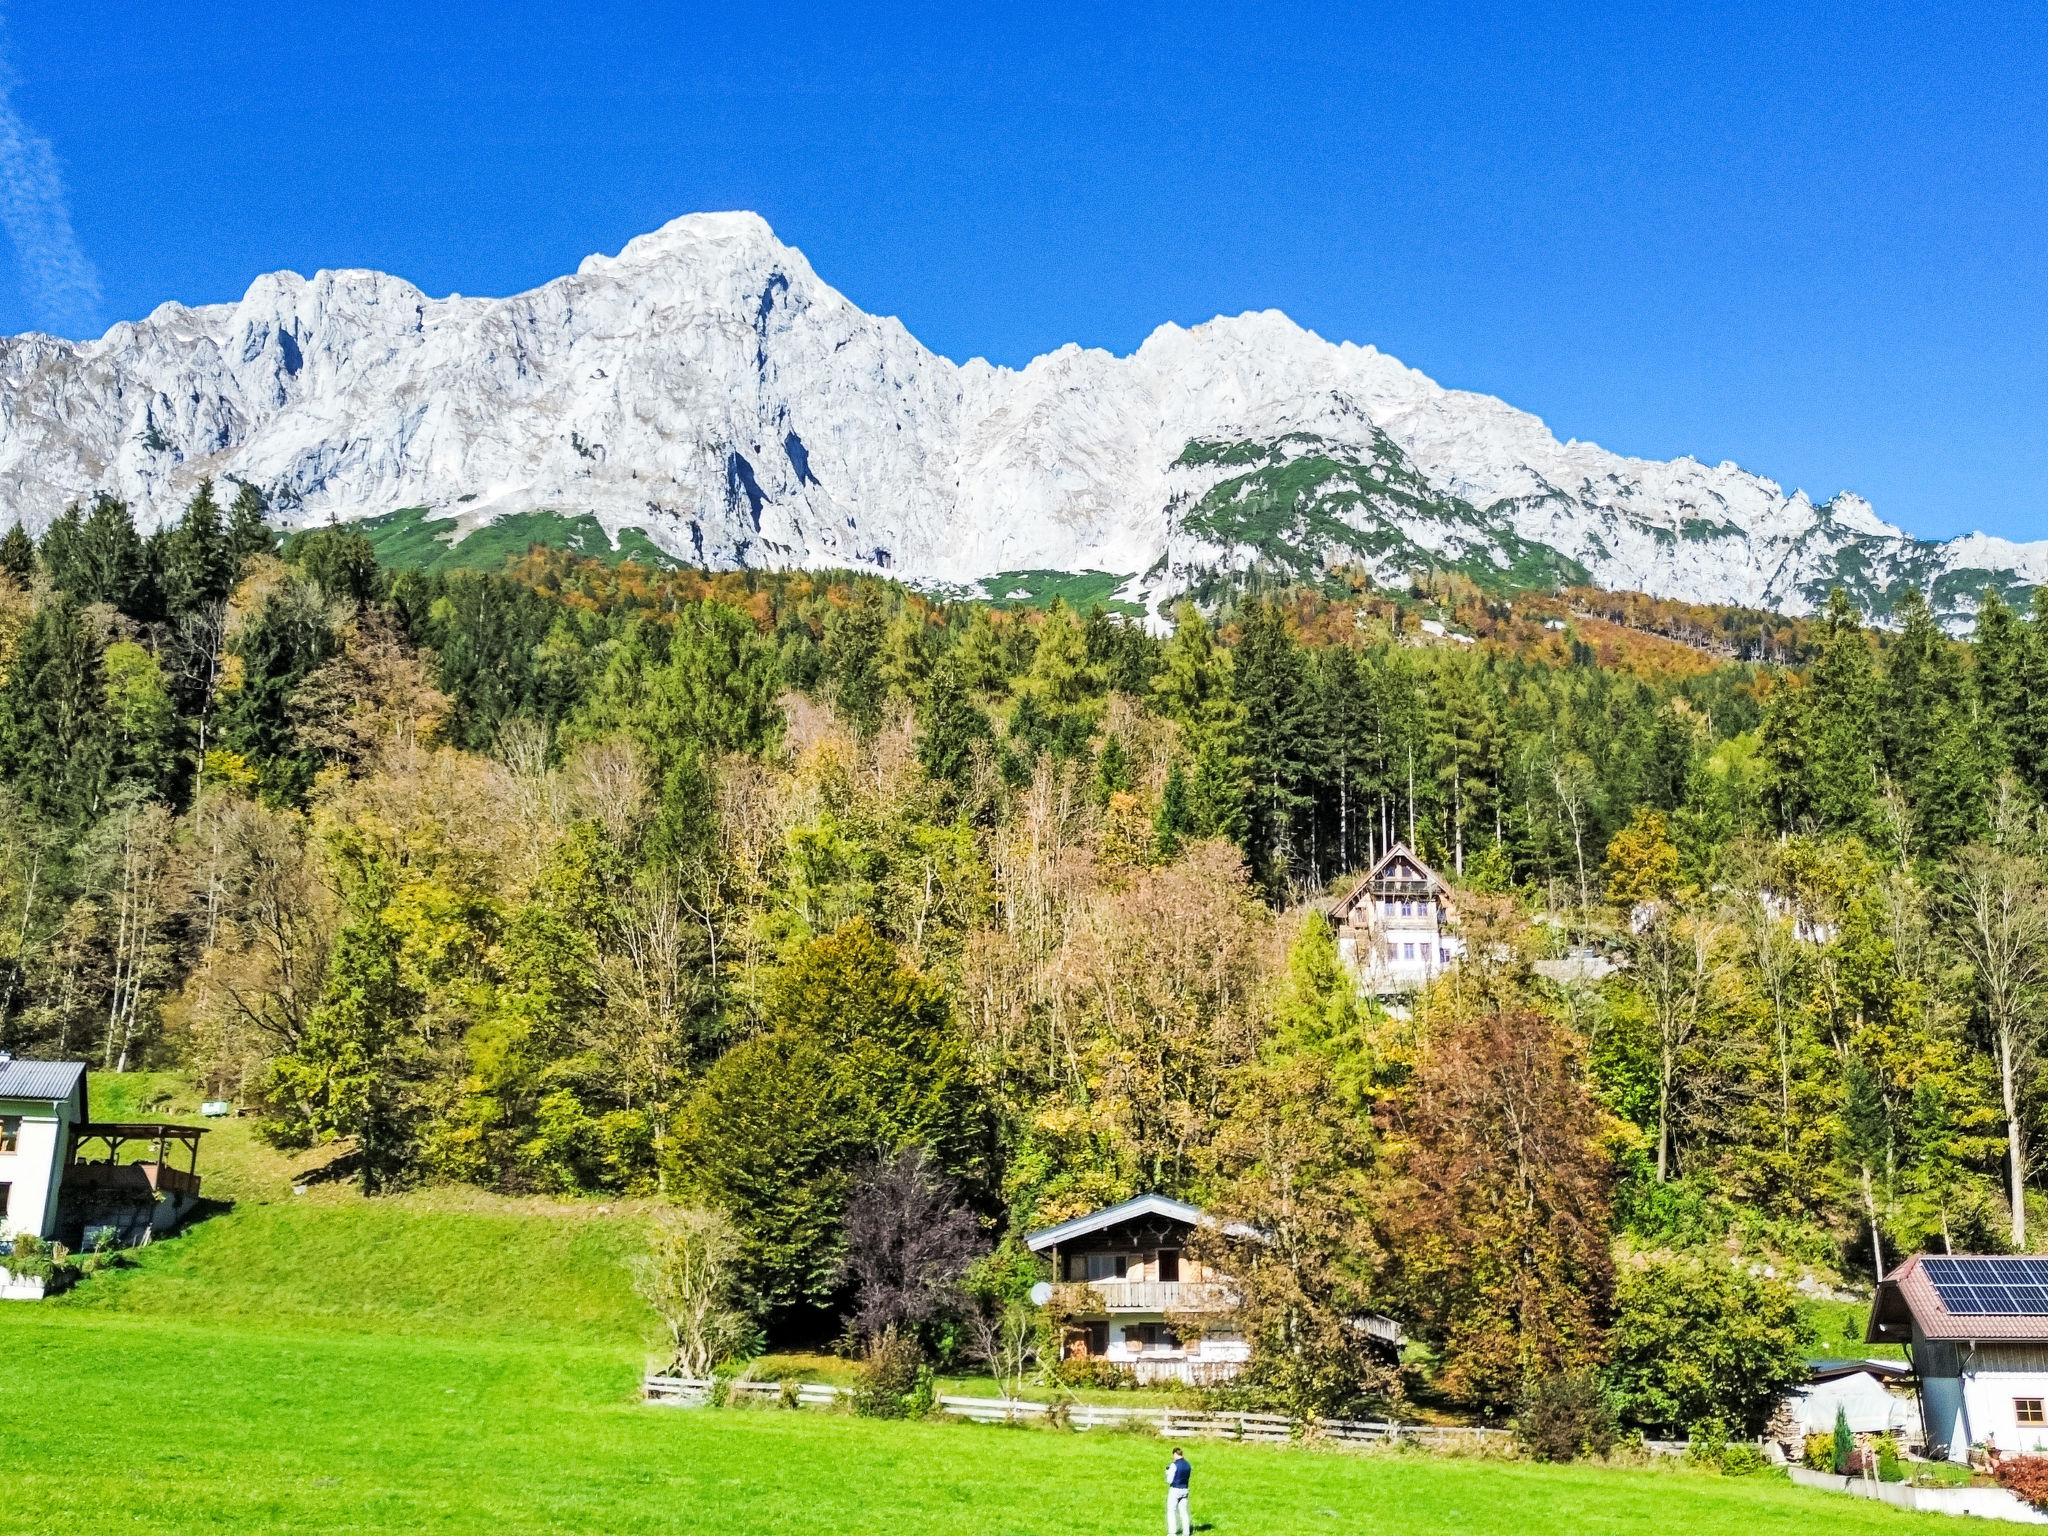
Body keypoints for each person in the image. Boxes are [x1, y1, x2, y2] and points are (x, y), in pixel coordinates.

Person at [1165, 1445, 1192, 1536]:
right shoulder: (1188, 1465)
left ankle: (1172, 1532)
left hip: (1175, 1489)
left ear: (1175, 1454)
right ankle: (1186, 1532)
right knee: (1184, 1512)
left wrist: (1167, 1473)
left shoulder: (1174, 1465)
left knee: (1171, 1510)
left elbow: (1169, 1480)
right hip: (1185, 1489)